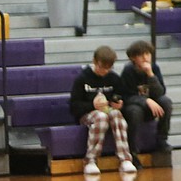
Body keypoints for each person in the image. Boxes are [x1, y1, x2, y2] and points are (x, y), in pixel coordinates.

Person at [68, 45, 135, 176]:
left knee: (116, 114)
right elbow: (74, 106)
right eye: (101, 67)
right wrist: (92, 105)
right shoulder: (82, 79)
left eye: (108, 68)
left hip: (108, 111)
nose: (104, 71)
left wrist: (120, 104)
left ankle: (125, 159)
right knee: (101, 117)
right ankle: (90, 160)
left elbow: (123, 97)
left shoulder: (114, 78)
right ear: (94, 61)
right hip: (87, 115)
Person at [119, 40, 172, 166]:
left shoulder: (154, 68)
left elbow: (160, 92)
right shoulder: (128, 71)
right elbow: (126, 97)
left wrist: (151, 75)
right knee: (134, 112)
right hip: (134, 106)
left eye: (147, 54)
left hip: (151, 106)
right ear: (133, 58)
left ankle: (161, 140)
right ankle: (133, 152)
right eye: (141, 55)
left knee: (166, 102)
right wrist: (146, 100)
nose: (145, 58)